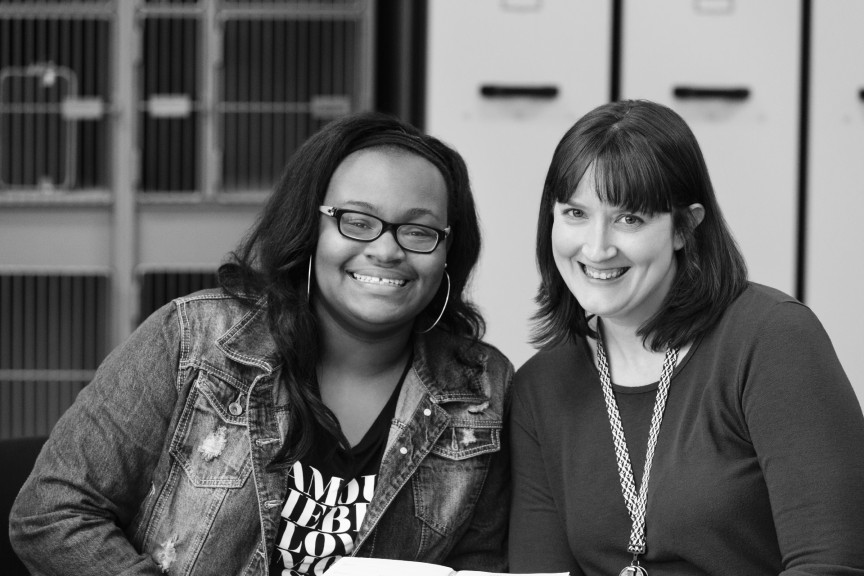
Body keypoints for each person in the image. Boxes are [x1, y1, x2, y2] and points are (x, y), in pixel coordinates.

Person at [10, 112, 512, 576]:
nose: (386, 249)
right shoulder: (194, 339)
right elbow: (51, 512)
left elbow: (479, 566)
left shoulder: (482, 389)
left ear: (448, 250)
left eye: (419, 230)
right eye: (356, 221)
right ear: (310, 228)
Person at [509, 99, 864, 575]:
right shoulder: (541, 386)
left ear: (684, 227)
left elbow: (832, 564)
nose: (596, 247)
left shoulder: (773, 339)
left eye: (629, 218)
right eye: (575, 213)